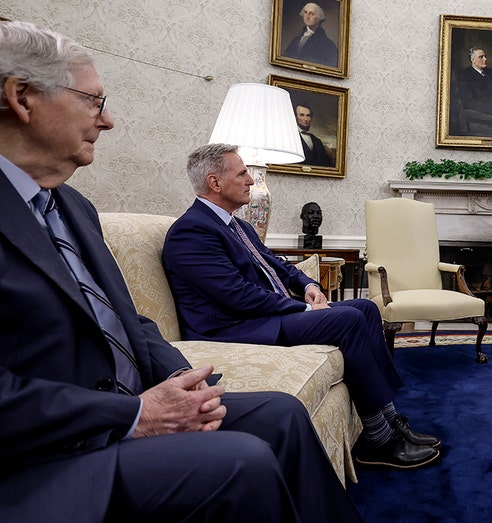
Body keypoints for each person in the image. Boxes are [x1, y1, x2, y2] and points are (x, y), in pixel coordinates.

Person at [0, 21, 360, 522]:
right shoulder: (191, 231)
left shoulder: (72, 207)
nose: (108, 122)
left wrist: (178, 381)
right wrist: (136, 415)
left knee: (281, 413)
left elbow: (131, 322)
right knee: (243, 461)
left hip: (130, 401)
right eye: (94, 101)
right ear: (22, 98)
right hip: (45, 453)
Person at [162, 143, 442, 470]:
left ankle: (391, 420)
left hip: (260, 317)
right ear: (215, 183)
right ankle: (377, 439)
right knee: (349, 320)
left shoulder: (238, 225)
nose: (250, 180)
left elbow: (279, 266)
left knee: (366, 310)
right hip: (232, 328)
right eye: (241, 174)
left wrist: (309, 286)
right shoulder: (191, 231)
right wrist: (304, 311)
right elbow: (235, 295)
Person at [282, 2, 338, 67]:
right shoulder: (296, 40)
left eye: (312, 14)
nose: (307, 16)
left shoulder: (328, 45)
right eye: (305, 12)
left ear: (319, 17)